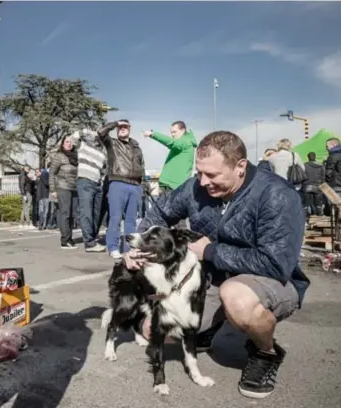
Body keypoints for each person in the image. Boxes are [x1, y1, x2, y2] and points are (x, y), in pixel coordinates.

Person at [127, 131, 310, 399]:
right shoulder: (195, 187)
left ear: (240, 167)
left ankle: (265, 353)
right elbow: (159, 212)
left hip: (272, 280)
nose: (203, 182)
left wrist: (210, 251)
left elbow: (275, 263)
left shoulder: (276, 195)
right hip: (213, 279)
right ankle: (209, 328)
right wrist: (139, 248)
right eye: (200, 173)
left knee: (236, 296)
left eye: (212, 175)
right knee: (150, 329)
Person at [95, 119, 145, 259]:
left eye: (125, 127)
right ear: (117, 129)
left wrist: (142, 186)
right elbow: (100, 132)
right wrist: (116, 123)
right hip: (117, 182)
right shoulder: (112, 143)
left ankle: (129, 248)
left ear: (130, 128)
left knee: (131, 220)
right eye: (120, 127)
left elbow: (142, 166)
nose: (122, 129)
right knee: (115, 218)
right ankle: (113, 247)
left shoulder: (137, 147)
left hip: (135, 185)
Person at [69, 129, 108, 252]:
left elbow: (104, 169)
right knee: (86, 212)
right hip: (85, 181)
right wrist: (87, 131)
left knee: (96, 214)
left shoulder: (103, 152)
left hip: (97, 184)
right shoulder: (83, 145)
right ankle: (89, 244)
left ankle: (92, 237)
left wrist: (101, 182)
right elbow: (72, 139)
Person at [143, 121, 197, 196]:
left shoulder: (186, 142)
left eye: (174, 132)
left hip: (173, 187)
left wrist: (153, 134)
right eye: (171, 132)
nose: (172, 135)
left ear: (183, 130)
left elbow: (171, 142)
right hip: (168, 186)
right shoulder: (183, 143)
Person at [49, 136, 79, 249]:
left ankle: (69, 237)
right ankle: (65, 240)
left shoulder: (76, 157)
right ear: (62, 144)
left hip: (74, 188)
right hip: (62, 187)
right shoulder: (59, 156)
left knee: (72, 214)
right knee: (65, 213)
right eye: (66, 141)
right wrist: (53, 190)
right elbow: (52, 173)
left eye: (71, 142)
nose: (69, 143)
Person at [302, 152, 325, 216]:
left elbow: (302, 176)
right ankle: (319, 215)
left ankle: (306, 217)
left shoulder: (304, 165)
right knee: (318, 203)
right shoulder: (321, 165)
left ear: (308, 157)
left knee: (306, 203)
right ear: (315, 157)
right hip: (317, 186)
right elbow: (323, 177)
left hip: (306, 186)